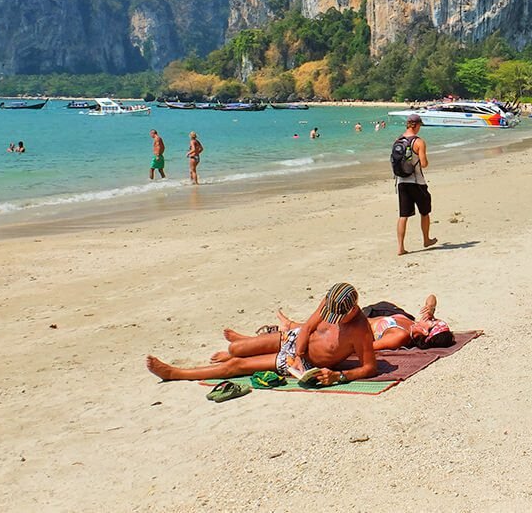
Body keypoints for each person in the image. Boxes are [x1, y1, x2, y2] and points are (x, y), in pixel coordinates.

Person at [145, 282, 378, 387]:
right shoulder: (331, 301)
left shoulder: (360, 330)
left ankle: (175, 373)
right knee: (234, 349)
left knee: (235, 365)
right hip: (295, 342)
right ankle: (244, 343)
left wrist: (339, 377)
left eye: (338, 317)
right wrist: (298, 352)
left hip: (302, 364)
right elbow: (306, 328)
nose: (330, 318)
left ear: (353, 309)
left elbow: (369, 368)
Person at [395, 113, 437, 256]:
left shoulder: (398, 140)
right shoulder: (419, 142)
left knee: (403, 215)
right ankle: (426, 240)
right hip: (417, 182)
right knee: (424, 212)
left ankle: (400, 247)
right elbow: (424, 164)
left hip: (401, 182)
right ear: (417, 125)